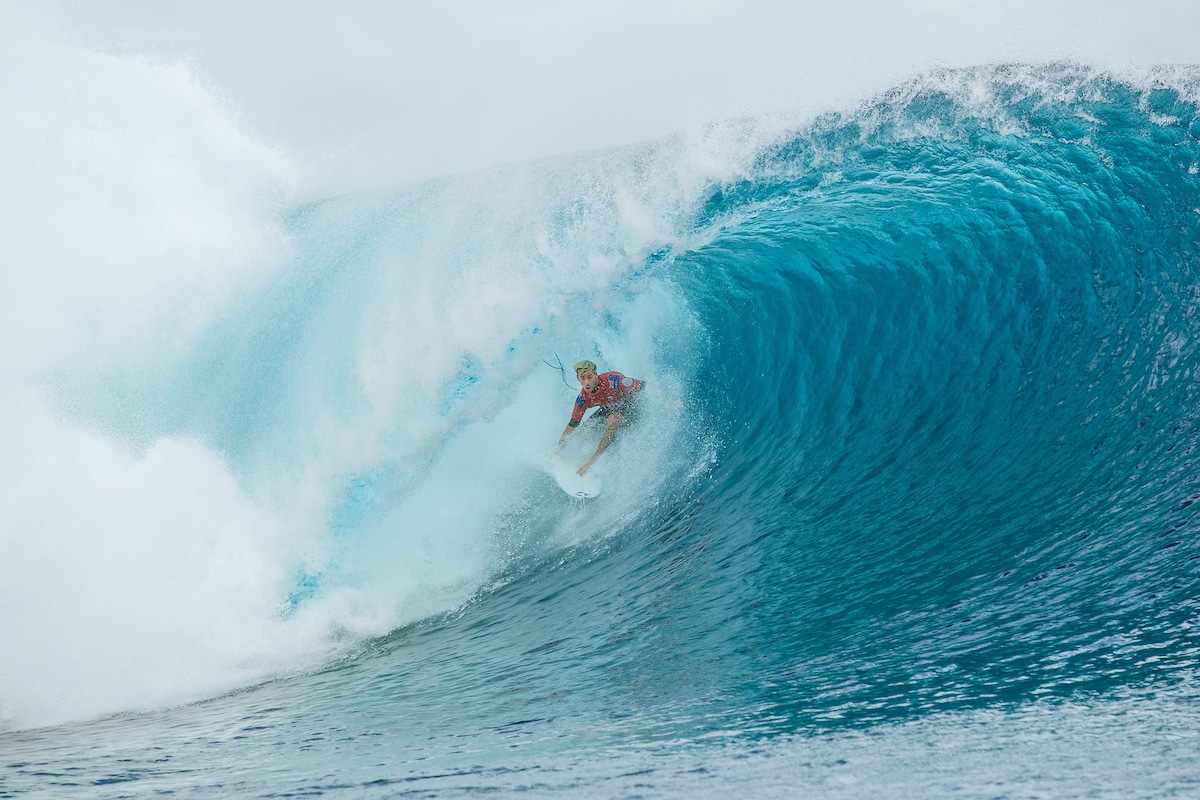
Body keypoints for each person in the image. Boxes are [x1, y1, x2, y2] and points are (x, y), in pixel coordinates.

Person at [557, 360, 645, 475]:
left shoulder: (614, 380)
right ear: (577, 379)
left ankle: (591, 463)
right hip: (610, 407)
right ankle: (565, 454)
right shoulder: (583, 399)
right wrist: (557, 451)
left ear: (596, 374)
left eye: (590, 377)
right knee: (584, 429)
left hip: (633, 407)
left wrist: (668, 401)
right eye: (583, 378)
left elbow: (644, 385)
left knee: (612, 420)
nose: (587, 382)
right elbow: (572, 424)